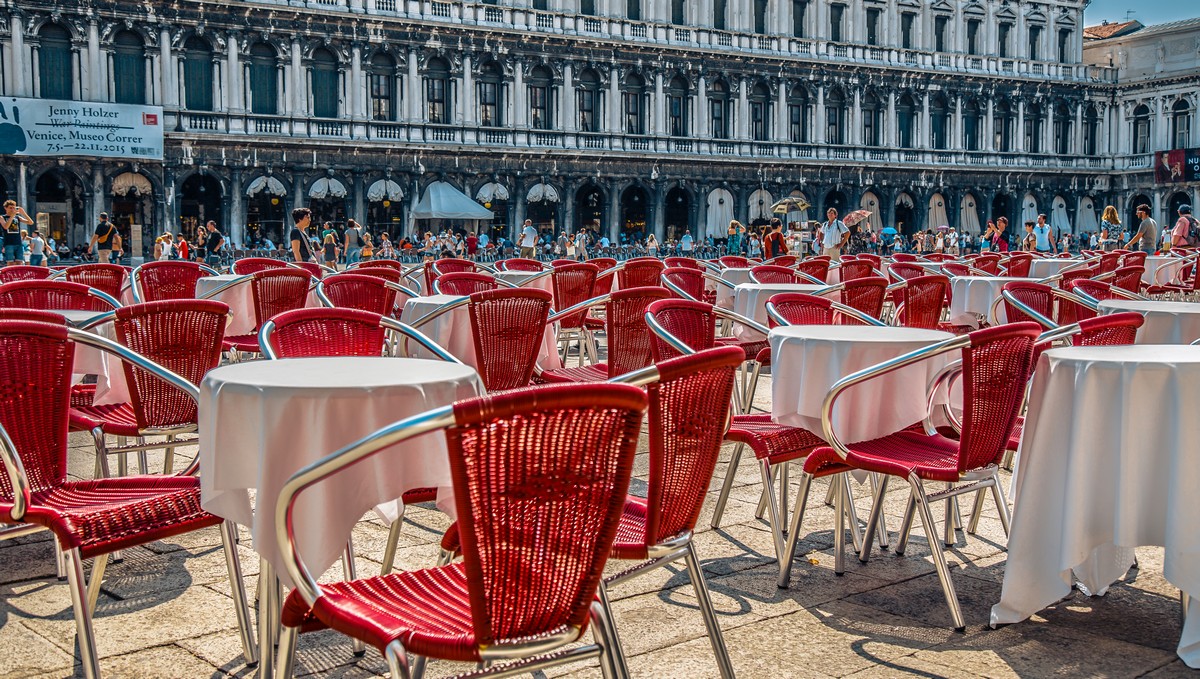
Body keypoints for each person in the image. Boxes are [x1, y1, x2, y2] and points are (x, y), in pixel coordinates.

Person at [1, 200, 33, 266]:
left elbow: (30, 222)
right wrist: (12, 216)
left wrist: (24, 213)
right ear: (5, 208)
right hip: (9, 243)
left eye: (14, 208)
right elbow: (6, 227)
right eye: (10, 208)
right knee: (10, 262)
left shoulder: (17, 217)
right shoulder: (2, 217)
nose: (12, 209)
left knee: (20, 262)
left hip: (18, 242)